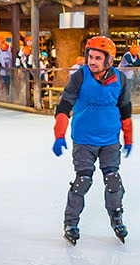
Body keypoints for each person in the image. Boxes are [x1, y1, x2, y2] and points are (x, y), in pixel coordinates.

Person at [52, 35, 133, 245]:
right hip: (84, 141)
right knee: (82, 181)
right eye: (90, 56)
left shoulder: (120, 79)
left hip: (109, 141)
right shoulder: (79, 77)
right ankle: (71, 223)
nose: (92, 61)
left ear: (109, 60)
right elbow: (63, 106)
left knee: (113, 180)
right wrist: (59, 135)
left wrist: (129, 137)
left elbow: (125, 110)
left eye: (98, 58)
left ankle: (117, 219)